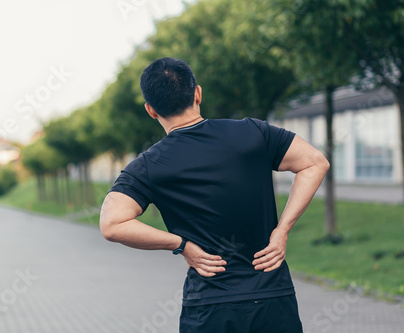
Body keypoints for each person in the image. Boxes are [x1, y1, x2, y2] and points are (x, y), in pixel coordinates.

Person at [99, 57, 329, 332]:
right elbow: (315, 162)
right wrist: (283, 230)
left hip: (208, 307)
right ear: (198, 93)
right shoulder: (252, 132)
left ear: (150, 110)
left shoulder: (148, 166)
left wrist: (181, 245)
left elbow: (112, 224)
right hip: (272, 297)